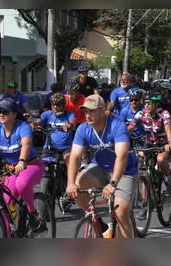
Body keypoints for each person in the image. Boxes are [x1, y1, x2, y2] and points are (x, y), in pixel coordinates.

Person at [66, 95, 139, 238]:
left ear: (102, 110)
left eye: (91, 111)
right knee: (78, 185)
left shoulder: (117, 125)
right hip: (100, 167)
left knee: (121, 211)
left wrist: (113, 184)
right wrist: (70, 183)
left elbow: (122, 156)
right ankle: (100, 225)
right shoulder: (83, 129)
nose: (87, 115)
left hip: (125, 170)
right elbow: (74, 157)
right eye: (85, 111)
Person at [0, 98, 46, 235]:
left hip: (31, 165)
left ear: (13, 114)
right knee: (6, 207)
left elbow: (26, 144)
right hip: (10, 169)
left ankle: (33, 214)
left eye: (5, 112)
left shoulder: (22, 127)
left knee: (22, 183)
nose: (1, 114)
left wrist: (21, 160)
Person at [30, 93, 76, 166]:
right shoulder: (48, 114)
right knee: (43, 165)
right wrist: (33, 124)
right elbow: (38, 121)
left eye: (58, 105)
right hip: (50, 148)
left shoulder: (69, 114)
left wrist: (69, 125)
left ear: (63, 106)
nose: (55, 107)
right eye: (53, 105)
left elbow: (73, 123)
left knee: (70, 161)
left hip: (66, 149)